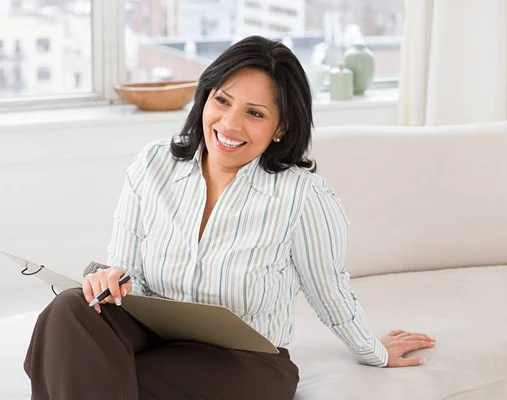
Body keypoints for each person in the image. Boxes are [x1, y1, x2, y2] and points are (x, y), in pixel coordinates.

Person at [24, 35, 435, 400]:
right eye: (222, 100)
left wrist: (373, 351)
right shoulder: (153, 164)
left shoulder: (302, 195)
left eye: (254, 113)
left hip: (243, 363)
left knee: (84, 374)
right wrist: (107, 277)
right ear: (206, 97)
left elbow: (329, 290)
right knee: (68, 309)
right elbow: (124, 268)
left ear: (281, 127)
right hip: (151, 336)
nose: (229, 123)